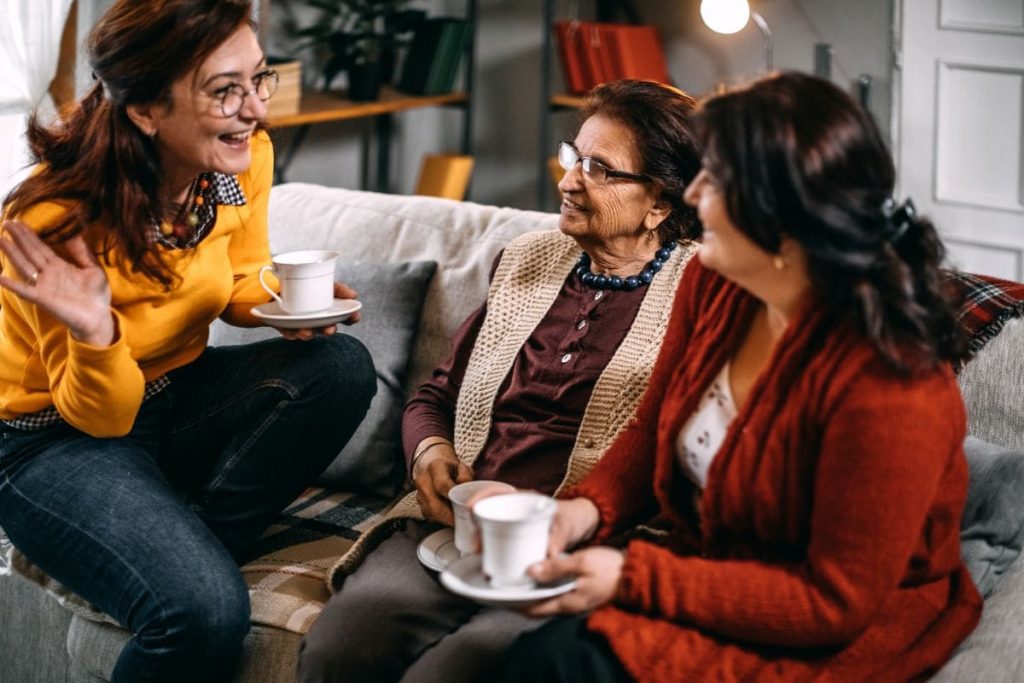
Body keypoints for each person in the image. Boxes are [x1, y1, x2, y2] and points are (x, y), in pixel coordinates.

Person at [496, 71, 984, 682]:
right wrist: (583, 513)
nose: (693, 193)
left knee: (551, 665)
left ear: (780, 217)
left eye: (716, 178)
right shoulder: (713, 282)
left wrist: (633, 576)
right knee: (537, 659)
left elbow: (832, 602)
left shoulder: (893, 386)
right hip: (715, 567)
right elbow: (653, 429)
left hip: (827, 623)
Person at [0, 1, 377, 681]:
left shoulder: (237, 161)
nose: (255, 110)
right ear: (146, 109)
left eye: (258, 80)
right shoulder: (57, 219)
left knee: (339, 366)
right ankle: (179, 564)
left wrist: (291, 307)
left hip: (175, 395)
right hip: (50, 439)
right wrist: (96, 330)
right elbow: (102, 415)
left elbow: (236, 280)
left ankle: (186, 536)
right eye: (224, 90)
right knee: (202, 611)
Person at [298, 79, 702, 683]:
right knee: (343, 647)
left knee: (461, 670)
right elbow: (436, 393)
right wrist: (429, 452)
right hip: (456, 523)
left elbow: (674, 452)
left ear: (661, 203)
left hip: (583, 544)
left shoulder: (700, 291)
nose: (567, 181)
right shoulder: (528, 260)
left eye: (600, 169)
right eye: (574, 157)